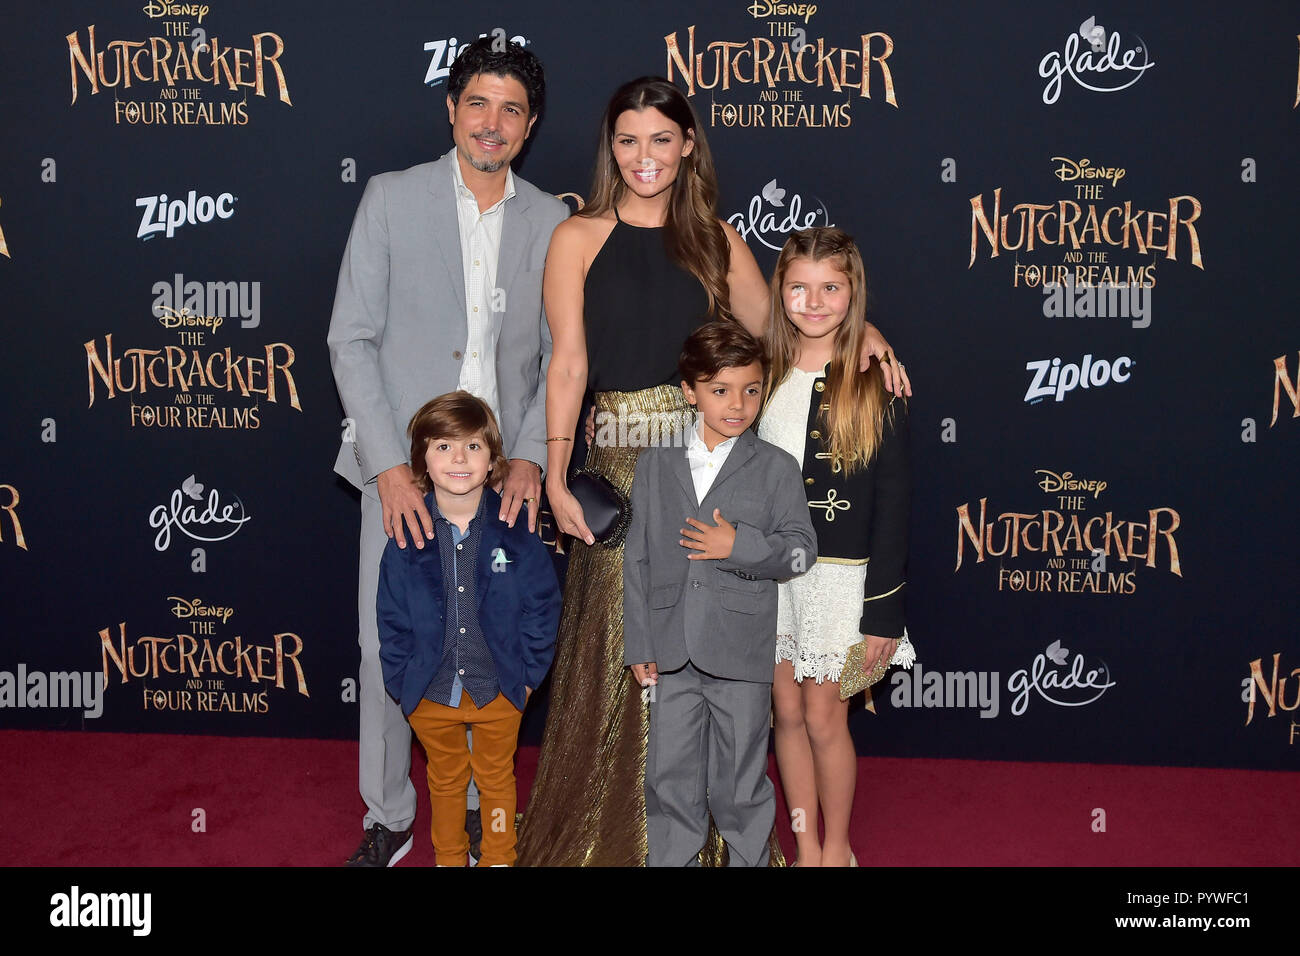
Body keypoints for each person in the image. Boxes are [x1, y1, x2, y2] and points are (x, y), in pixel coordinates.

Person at [515, 76, 910, 867]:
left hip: (711, 463)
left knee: (708, 645)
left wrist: (870, 338)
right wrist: (557, 477)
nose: (644, 157)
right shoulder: (575, 237)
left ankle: (710, 844)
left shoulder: (718, 239)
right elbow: (567, 367)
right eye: (627, 140)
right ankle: (610, 838)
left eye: (662, 139)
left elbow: (787, 331)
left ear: (688, 146)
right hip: (619, 472)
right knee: (624, 644)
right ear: (610, 149)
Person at [328, 38, 567, 867]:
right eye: (478, 103)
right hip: (402, 470)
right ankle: (390, 814)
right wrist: (390, 465)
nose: (491, 123)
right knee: (385, 644)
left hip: (499, 480)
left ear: (529, 126)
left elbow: (558, 353)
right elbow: (350, 339)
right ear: (451, 109)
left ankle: (468, 809)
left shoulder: (552, 219)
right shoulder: (391, 199)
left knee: (489, 640)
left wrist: (532, 456)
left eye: (510, 109)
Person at [624, 323, 816, 866]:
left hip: (741, 653)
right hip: (671, 652)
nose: (738, 404)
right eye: (720, 389)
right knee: (671, 780)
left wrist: (740, 545)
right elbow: (637, 557)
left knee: (739, 786)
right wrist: (640, 642)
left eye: (751, 390)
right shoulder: (654, 461)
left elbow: (801, 552)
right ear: (690, 391)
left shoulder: (776, 467)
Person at [760, 227, 912, 867]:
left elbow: (895, 504)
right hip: (770, 581)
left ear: (853, 293)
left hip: (840, 584)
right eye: (799, 287)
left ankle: (837, 848)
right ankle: (805, 841)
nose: (814, 302)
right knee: (785, 717)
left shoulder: (875, 379)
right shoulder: (760, 370)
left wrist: (883, 612)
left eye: (830, 288)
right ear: (780, 291)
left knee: (825, 719)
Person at [376, 392, 561, 867]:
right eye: (443, 446)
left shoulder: (516, 531)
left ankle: (499, 856)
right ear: (421, 459)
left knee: (497, 781)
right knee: (445, 781)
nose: (459, 459)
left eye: (473, 447)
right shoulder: (404, 536)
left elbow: (543, 606)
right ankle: (450, 858)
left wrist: (527, 674)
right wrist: (401, 680)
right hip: (431, 692)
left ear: (493, 460)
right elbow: (391, 618)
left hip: (499, 686)